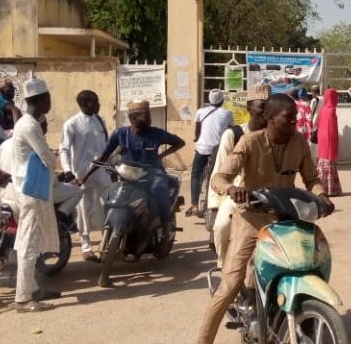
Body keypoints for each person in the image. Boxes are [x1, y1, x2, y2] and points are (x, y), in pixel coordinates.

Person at [196, 93, 333, 344]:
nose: (295, 122)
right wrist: (231, 190)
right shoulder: (249, 142)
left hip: (286, 219)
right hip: (251, 219)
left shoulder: (300, 143)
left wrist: (322, 196)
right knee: (230, 285)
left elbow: (311, 180)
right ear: (270, 118)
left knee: (307, 265)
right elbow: (220, 177)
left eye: (295, 118)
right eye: (289, 118)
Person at [86, 100, 185, 228]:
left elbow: (180, 142)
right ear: (132, 117)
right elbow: (103, 156)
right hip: (127, 175)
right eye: (145, 115)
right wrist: (84, 177)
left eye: (149, 115)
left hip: (153, 174)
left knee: (160, 190)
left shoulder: (156, 133)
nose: (149, 119)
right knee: (111, 196)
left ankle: (166, 225)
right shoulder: (120, 134)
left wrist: (161, 156)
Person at [11, 77, 59, 312]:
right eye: (48, 98)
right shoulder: (30, 125)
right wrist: (55, 158)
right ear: (39, 100)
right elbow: (46, 156)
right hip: (32, 193)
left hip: (29, 190)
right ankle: (23, 299)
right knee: (29, 245)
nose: (50, 103)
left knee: (29, 242)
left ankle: (32, 289)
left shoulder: (25, 123)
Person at [210, 84, 270, 267]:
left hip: (269, 196)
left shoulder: (275, 137)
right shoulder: (233, 135)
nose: (266, 114)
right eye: (262, 109)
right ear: (249, 109)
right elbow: (219, 171)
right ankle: (225, 268)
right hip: (238, 194)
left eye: (270, 110)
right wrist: (214, 208)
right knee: (221, 227)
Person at [58, 90, 109, 262]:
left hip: (102, 172)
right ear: (84, 104)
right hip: (82, 174)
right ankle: (86, 247)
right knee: (83, 211)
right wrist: (67, 170)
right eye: (95, 102)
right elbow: (63, 149)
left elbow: (106, 146)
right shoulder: (71, 124)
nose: (98, 105)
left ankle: (106, 243)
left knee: (107, 205)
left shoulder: (100, 121)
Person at [187, 89, 233, 217]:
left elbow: (197, 130)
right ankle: (212, 204)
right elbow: (230, 132)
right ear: (222, 101)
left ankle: (194, 205)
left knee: (196, 174)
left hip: (202, 148)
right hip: (217, 150)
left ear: (209, 100)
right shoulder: (227, 113)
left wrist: (196, 138)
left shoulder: (200, 112)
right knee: (216, 175)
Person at [316, 88, 342, 196]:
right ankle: (330, 189)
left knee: (323, 162)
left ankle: (322, 188)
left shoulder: (323, 109)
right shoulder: (331, 110)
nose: (337, 99)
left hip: (322, 139)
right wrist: (335, 142)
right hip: (329, 140)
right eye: (335, 96)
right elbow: (332, 129)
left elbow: (318, 124)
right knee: (329, 161)